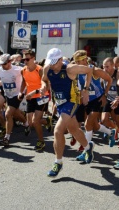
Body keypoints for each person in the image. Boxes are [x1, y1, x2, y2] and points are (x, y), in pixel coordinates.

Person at [40, 48, 95, 177]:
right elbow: (44, 79)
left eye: (55, 62)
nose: (52, 65)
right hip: (59, 102)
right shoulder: (47, 68)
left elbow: (89, 70)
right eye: (51, 62)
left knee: (58, 130)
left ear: (60, 60)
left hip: (72, 101)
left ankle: (58, 163)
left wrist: (86, 89)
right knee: (73, 129)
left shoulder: (70, 69)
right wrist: (44, 86)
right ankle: (88, 147)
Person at [0, 54, 29, 146]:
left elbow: (27, 79)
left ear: (9, 62)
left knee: (8, 114)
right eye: (1, 64)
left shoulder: (18, 70)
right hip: (8, 94)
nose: (3, 66)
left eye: (4, 64)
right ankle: (26, 123)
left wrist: (24, 91)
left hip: (18, 94)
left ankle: (6, 138)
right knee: (16, 113)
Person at [19, 50, 50, 151]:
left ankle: (41, 141)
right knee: (30, 123)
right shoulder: (23, 70)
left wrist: (35, 91)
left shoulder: (40, 69)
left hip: (42, 97)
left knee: (35, 121)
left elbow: (47, 86)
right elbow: (24, 82)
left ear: (33, 58)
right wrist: (21, 92)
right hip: (30, 97)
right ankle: (46, 121)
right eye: (24, 59)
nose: (25, 61)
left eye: (27, 59)